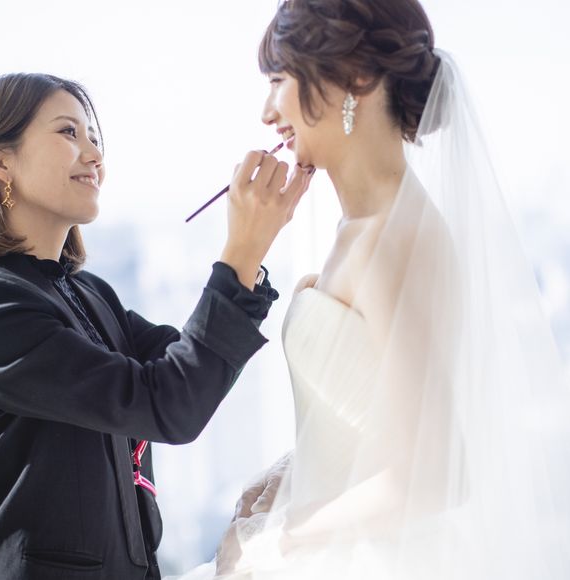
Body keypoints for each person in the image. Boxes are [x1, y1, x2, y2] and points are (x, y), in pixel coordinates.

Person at [173, 1, 570, 579]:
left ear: (354, 79)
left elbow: (434, 474)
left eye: (278, 80)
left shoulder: (393, 238)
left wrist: (280, 537)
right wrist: (287, 473)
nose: (266, 112)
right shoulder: (361, 228)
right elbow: (372, 415)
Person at [0, 72, 314, 580]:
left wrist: (249, 256)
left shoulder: (92, 293)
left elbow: (188, 373)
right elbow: (167, 405)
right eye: (68, 132)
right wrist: (243, 248)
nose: (95, 156)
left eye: (94, 138)